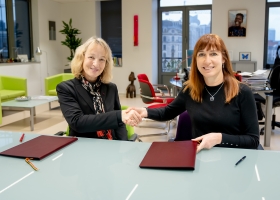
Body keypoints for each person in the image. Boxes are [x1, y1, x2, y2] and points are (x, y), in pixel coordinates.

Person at [128, 34, 259, 153]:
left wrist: (219, 138)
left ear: (223, 58)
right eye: (201, 54)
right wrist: (144, 112)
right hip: (199, 157)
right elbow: (167, 112)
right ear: (196, 60)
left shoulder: (242, 92)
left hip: (235, 159)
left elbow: (253, 141)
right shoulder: (190, 90)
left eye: (213, 54)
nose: (207, 61)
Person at [56, 36, 141, 140]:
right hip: (83, 148)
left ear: (106, 64)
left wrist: (123, 145)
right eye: (91, 57)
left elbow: (120, 124)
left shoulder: (111, 88)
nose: (96, 64)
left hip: (111, 146)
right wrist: (118, 116)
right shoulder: (66, 88)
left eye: (102, 59)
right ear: (82, 58)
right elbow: (77, 122)